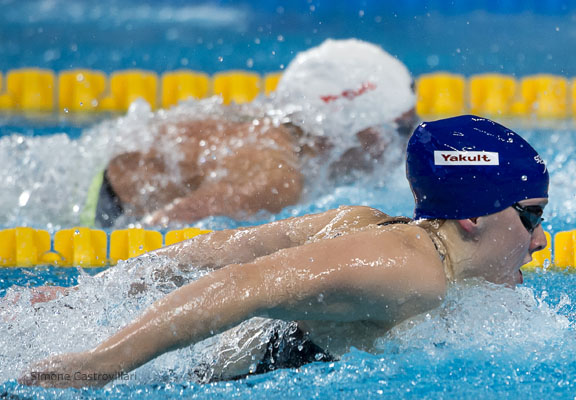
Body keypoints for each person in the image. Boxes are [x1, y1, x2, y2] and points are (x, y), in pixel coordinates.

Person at [20, 115, 549, 388]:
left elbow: (222, 249)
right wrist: (99, 365)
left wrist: (84, 295)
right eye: (531, 215)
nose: (540, 239)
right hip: (190, 374)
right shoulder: (407, 271)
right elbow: (238, 283)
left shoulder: (366, 223)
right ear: (473, 216)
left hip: (186, 355)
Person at [89, 38, 416, 228]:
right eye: (399, 130)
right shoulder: (276, 177)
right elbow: (161, 230)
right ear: (357, 132)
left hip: (99, 170)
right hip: (97, 207)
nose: (403, 146)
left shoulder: (273, 130)